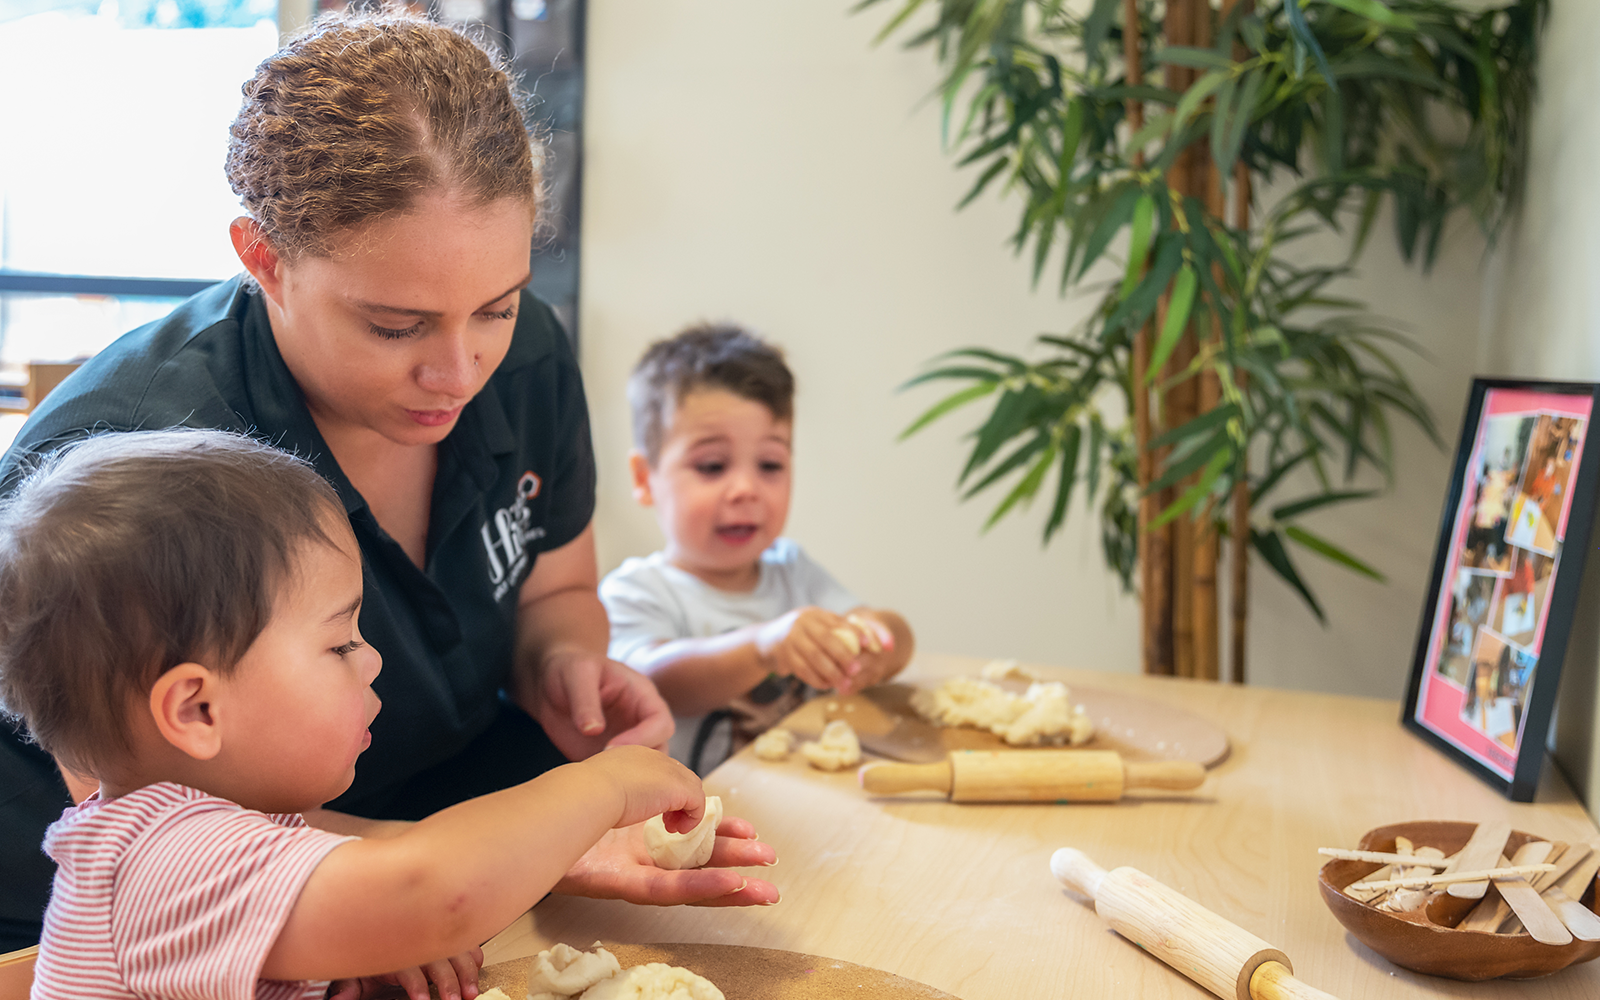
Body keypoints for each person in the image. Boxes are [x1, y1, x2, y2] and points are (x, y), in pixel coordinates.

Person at [0, 9, 729, 952]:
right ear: (264, 258)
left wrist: (559, 662)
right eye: (395, 327)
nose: (461, 370)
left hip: (436, 831)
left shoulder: (528, 358)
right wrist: (463, 866)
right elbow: (145, 822)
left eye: (496, 307)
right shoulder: (141, 457)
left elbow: (557, 586)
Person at [0, 430, 774, 1000]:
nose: (373, 661)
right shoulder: (162, 861)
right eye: (339, 643)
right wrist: (603, 788)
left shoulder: (235, 826)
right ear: (198, 708)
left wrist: (359, 961)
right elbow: (433, 891)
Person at [599, 324, 914, 771]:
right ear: (644, 478)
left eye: (770, 464)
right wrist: (761, 648)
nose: (745, 489)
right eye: (712, 466)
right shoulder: (636, 590)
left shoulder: (793, 572)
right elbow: (651, 680)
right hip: (694, 826)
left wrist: (877, 641)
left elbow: (895, 636)